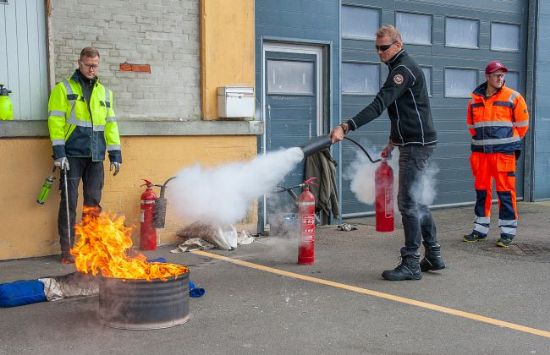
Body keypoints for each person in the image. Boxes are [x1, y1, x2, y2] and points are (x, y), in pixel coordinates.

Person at [329, 25, 444, 281]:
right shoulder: (398, 66)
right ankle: (434, 254)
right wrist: (393, 140)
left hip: (417, 144)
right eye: (377, 49)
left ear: (398, 44)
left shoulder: (402, 70)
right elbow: (401, 109)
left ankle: (411, 262)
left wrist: (346, 126)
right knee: (418, 199)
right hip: (413, 142)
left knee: (407, 202)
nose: (380, 53)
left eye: (384, 48)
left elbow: (380, 104)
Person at [47, 47, 122, 264]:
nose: (92, 69)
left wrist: (115, 154)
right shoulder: (63, 89)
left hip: (96, 156)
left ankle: (91, 248)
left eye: (95, 65)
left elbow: (111, 126)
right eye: (88, 65)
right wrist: (59, 153)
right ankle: (67, 251)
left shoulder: (105, 93)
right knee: (69, 203)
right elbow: (55, 122)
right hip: (71, 156)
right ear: (79, 62)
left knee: (93, 204)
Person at [463, 61, 529, 248]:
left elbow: (523, 126)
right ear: (487, 76)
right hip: (480, 154)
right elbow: (471, 126)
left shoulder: (513, 97)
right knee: (482, 192)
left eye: (502, 75)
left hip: (504, 154)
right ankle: (480, 229)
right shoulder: (474, 99)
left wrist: (508, 142)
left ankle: (508, 232)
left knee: (505, 192)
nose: (500, 78)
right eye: (496, 75)